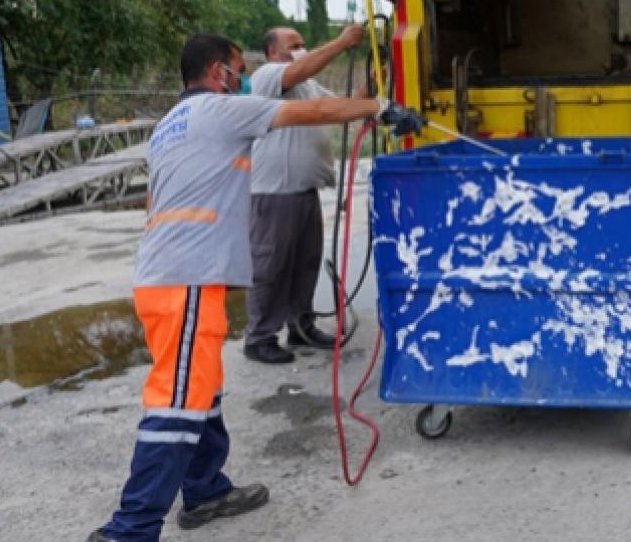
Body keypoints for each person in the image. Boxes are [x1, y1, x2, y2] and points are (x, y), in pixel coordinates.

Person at [90, 33, 423, 542]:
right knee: (177, 401)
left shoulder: (168, 125)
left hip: (167, 278)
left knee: (203, 388)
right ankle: (130, 529)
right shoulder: (219, 111)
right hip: (186, 277)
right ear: (216, 71)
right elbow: (312, 113)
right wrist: (379, 107)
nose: (241, 80)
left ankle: (205, 490)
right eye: (236, 71)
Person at [243, 24, 365, 364]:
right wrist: (341, 43)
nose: (301, 49)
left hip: (304, 190)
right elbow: (300, 69)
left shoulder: (308, 86)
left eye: (302, 43)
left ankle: (300, 325)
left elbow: (344, 106)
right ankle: (260, 336)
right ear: (272, 52)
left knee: (304, 265)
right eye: (293, 45)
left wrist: (376, 78)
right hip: (274, 192)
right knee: (270, 266)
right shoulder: (268, 77)